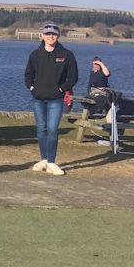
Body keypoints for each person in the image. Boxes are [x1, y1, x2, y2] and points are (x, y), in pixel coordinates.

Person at [25, 23, 78, 176]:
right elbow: (28, 75)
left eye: (54, 34)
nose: (50, 36)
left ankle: (52, 162)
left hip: (56, 99)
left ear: (58, 36)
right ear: (42, 36)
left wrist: (61, 89)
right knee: (41, 129)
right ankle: (44, 159)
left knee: (53, 129)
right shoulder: (35, 54)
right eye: (47, 34)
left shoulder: (67, 54)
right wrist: (32, 88)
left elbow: (73, 77)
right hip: (38, 98)